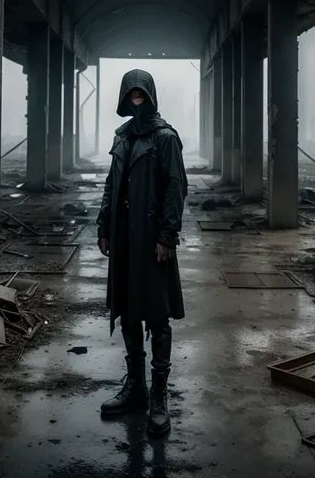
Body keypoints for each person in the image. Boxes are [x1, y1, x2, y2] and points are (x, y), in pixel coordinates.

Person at [97, 68, 188, 437]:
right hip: (123, 239)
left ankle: (158, 397)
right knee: (128, 311)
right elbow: (111, 185)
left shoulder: (165, 137)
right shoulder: (122, 137)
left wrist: (167, 236)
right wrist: (103, 226)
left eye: (141, 92)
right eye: (130, 93)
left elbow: (176, 187)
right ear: (124, 97)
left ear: (149, 95)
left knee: (157, 314)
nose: (136, 97)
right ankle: (135, 388)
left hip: (151, 239)